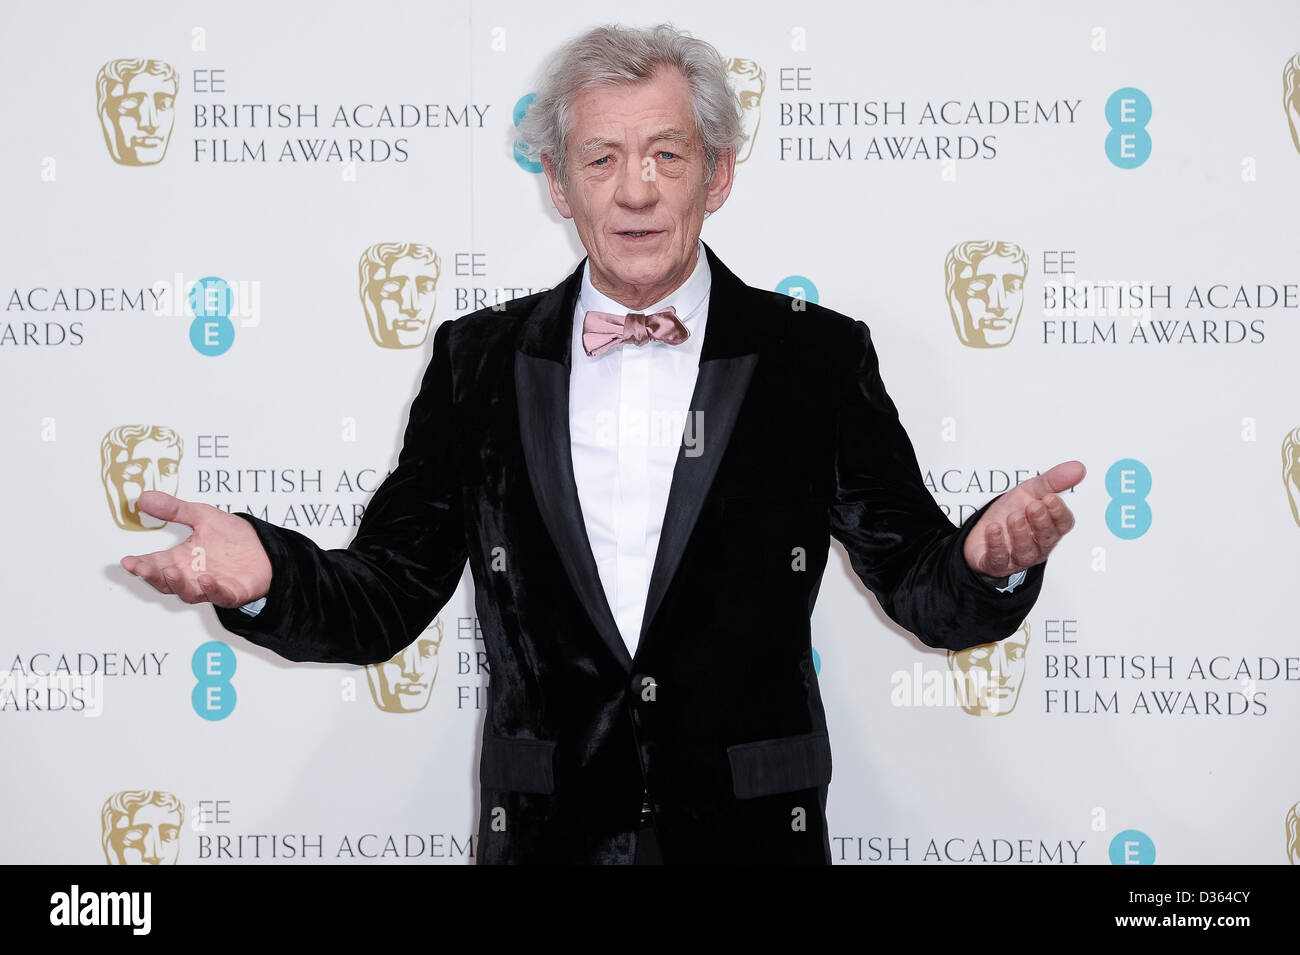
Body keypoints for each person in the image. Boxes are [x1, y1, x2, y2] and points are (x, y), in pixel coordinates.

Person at [120, 23, 1083, 864]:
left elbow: (919, 579)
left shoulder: (815, 358)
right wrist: (270, 576)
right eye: (602, 159)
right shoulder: (478, 359)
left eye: (667, 154)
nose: (636, 191)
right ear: (556, 182)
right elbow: (386, 591)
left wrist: (980, 561)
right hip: (550, 835)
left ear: (720, 172)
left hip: (751, 836)